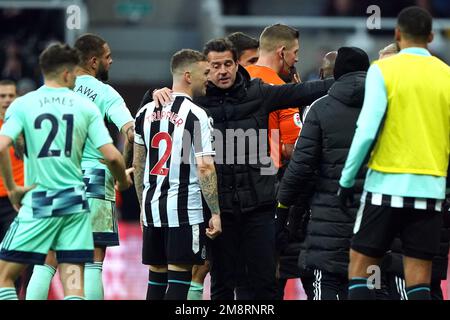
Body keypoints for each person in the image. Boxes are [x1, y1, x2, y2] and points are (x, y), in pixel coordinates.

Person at [150, 38, 332, 300]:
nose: (223, 71)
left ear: (237, 64)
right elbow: (160, 103)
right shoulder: (196, 104)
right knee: (222, 284)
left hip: (259, 208)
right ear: (205, 69)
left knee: (265, 283)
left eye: (228, 64)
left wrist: (350, 80)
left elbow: (305, 91)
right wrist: (154, 93)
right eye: (215, 66)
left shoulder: (259, 93)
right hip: (218, 212)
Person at [0, 43, 132, 300]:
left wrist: (15, 186)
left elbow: (12, 144)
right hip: (90, 181)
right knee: (88, 264)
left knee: (43, 261)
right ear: (69, 71)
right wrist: (123, 179)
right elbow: (127, 137)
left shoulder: (27, 102)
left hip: (47, 184)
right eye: (108, 57)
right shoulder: (93, 103)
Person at [338, 6, 450, 300]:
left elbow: (366, 130)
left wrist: (347, 180)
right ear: (430, 36)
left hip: (384, 186)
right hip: (430, 189)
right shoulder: (446, 75)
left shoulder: (383, 70)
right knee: (419, 280)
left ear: (397, 34)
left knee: (360, 269)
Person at [278, 47, 370, 300]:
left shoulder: (319, 108)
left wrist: (284, 206)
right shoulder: (386, 105)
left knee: (326, 280)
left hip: (328, 213)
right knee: (370, 281)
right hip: (374, 212)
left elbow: (301, 166)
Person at [133, 49, 222, 300]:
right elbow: (205, 166)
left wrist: (142, 205)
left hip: (152, 209)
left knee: (156, 279)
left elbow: (138, 164)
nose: (210, 77)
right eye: (205, 72)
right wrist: (215, 211)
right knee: (179, 280)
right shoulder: (196, 115)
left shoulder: (145, 112)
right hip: (184, 211)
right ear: (187, 75)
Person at [0, 80, 21, 243]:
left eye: (11, 95)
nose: (7, 99)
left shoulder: (26, 126)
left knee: (17, 256)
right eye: (2, 96)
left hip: (17, 201)